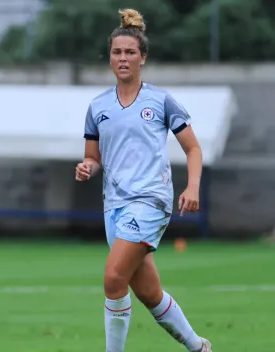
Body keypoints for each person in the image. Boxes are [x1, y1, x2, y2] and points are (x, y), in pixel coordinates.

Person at [75, 8, 212, 352]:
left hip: (150, 200)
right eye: (117, 52)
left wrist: (192, 186)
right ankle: (198, 346)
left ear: (142, 57)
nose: (123, 58)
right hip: (115, 206)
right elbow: (93, 158)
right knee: (149, 294)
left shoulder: (160, 101)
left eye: (130, 52)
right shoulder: (97, 107)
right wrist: (87, 167)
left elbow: (193, 148)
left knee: (112, 278)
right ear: (110, 58)